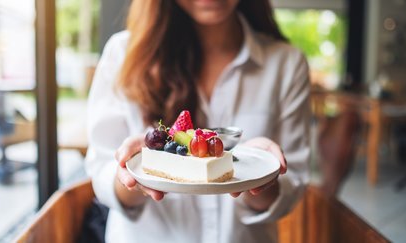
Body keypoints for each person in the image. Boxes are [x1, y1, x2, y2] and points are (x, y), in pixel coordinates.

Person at [85, 0, 310, 242]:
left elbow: (291, 186)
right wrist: (134, 176)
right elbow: (103, 174)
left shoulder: (285, 63)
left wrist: (261, 177)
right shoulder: (123, 54)